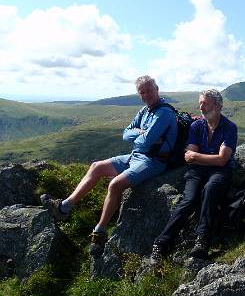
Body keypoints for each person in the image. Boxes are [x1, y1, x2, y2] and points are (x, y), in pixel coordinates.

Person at [41, 75, 177, 255]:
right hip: (136, 156)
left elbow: (144, 142)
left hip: (154, 161)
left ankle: (100, 232)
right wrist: (141, 133)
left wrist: (142, 137)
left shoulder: (164, 113)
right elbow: (126, 134)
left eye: (149, 90)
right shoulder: (144, 111)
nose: (146, 95)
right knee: (97, 166)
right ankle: (64, 208)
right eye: (142, 92)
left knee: (115, 185)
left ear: (157, 89)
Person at [150, 89, 237, 263]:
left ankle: (202, 241)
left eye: (205, 103)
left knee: (211, 189)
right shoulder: (197, 126)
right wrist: (203, 158)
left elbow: (221, 160)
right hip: (197, 171)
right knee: (189, 199)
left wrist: (198, 157)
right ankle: (161, 244)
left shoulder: (229, 127)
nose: (201, 107)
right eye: (200, 103)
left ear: (217, 105)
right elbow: (189, 157)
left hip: (220, 171)